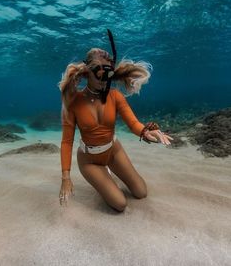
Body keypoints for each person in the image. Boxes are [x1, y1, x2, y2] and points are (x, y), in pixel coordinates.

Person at [57, 29, 173, 212]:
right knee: (120, 204)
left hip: (113, 150)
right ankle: (102, 177)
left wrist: (145, 131)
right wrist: (66, 178)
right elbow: (66, 141)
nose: (104, 79)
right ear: (87, 72)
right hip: (89, 160)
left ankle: (108, 174)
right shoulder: (73, 103)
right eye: (98, 72)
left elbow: (133, 123)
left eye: (108, 73)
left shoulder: (116, 96)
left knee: (141, 192)